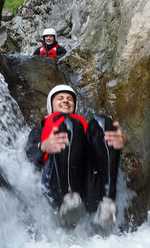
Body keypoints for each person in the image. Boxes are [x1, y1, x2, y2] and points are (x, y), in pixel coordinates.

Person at [26, 84, 125, 230]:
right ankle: (70, 201)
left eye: (69, 99)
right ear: (51, 106)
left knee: (102, 122)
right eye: (60, 98)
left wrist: (117, 142)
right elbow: (29, 153)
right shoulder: (39, 131)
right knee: (69, 123)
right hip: (58, 185)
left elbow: (102, 155)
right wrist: (43, 146)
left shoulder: (85, 130)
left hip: (90, 187)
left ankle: (107, 204)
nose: (66, 101)